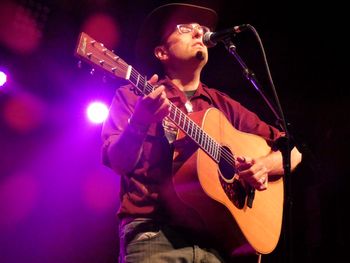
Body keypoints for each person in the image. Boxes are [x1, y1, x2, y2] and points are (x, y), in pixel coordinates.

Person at [101, 3, 302, 263]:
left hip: (217, 243)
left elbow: (292, 152)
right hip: (154, 237)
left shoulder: (222, 105)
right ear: (162, 52)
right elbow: (116, 161)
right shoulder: (133, 96)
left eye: (202, 29)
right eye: (185, 28)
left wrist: (263, 166)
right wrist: (139, 120)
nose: (199, 32)